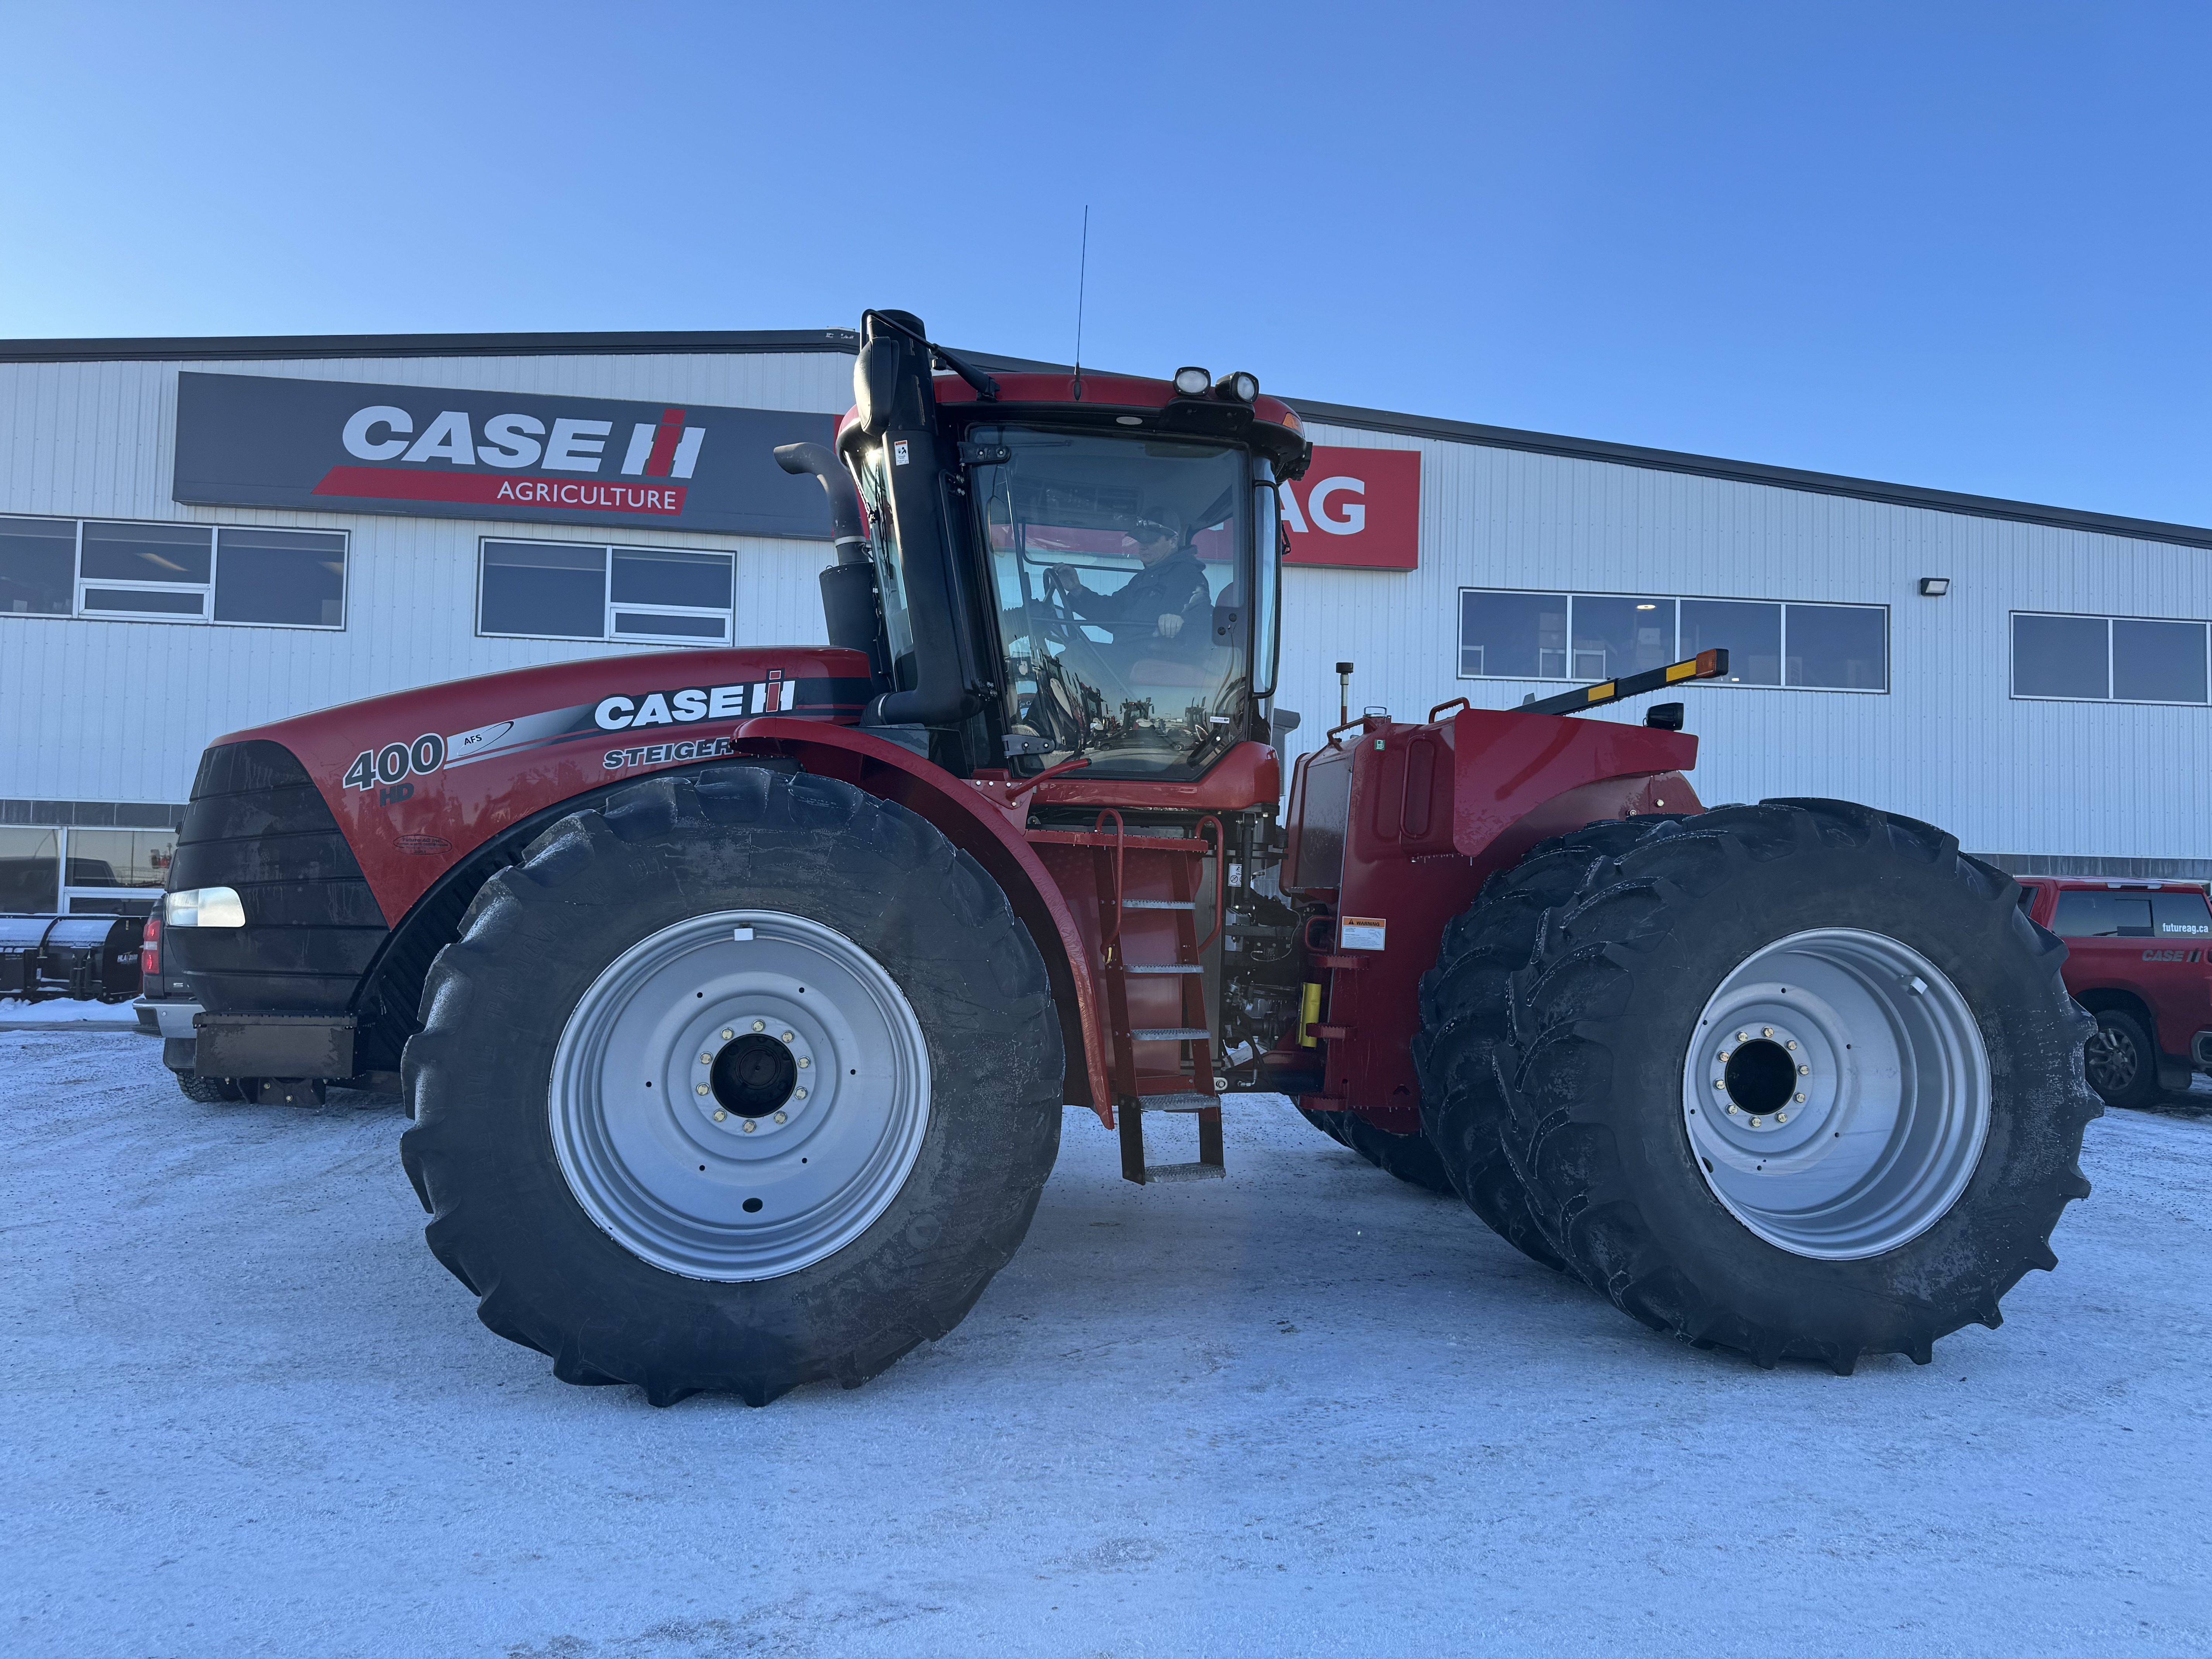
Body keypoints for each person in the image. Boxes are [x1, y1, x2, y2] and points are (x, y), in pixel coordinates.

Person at [1049, 511, 1213, 666]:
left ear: (1173, 541)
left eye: (1152, 540)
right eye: (1141, 540)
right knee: (1066, 657)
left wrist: (1181, 620)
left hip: (1152, 657)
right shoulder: (1145, 577)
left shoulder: (1188, 576)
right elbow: (1113, 611)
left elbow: (1204, 618)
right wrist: (1077, 590)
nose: (1143, 546)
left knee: (1077, 653)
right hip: (1128, 653)